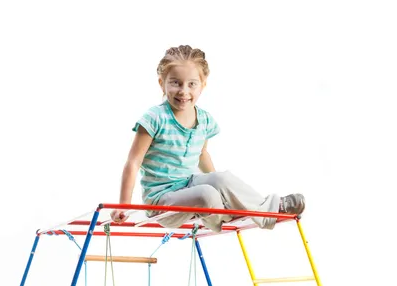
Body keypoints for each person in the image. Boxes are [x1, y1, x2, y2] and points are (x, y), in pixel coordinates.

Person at [111, 44, 305, 232]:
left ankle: (269, 208)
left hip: (189, 186)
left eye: (191, 84)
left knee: (222, 178)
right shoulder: (155, 118)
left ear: (202, 85)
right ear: (162, 83)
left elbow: (202, 153)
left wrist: (218, 182)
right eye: (175, 83)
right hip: (161, 201)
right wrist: (124, 205)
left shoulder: (204, 119)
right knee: (207, 194)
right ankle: (225, 214)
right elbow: (133, 162)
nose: (183, 91)